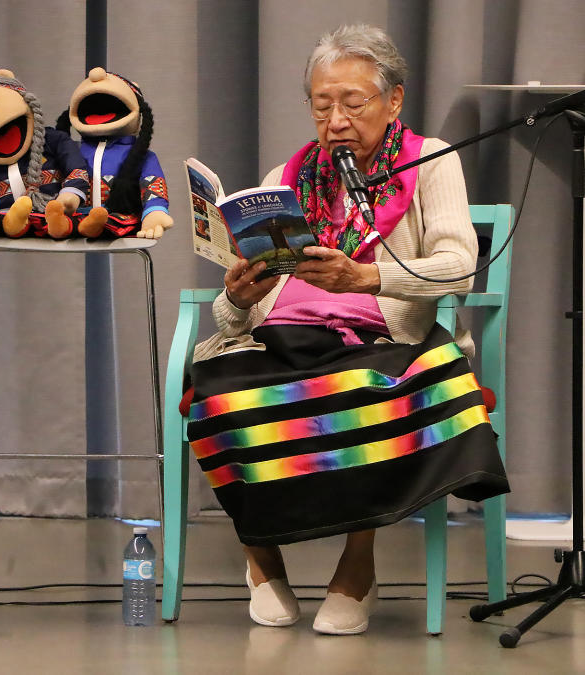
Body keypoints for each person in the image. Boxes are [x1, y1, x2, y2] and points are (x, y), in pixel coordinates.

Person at [187, 25, 508, 635]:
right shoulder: (291, 173)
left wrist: (366, 278)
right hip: (278, 335)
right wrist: (235, 297)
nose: (335, 119)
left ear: (393, 101)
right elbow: (237, 311)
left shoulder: (430, 161)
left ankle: (356, 565)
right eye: (321, 104)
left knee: (359, 395)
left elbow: (460, 263)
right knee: (221, 395)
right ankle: (262, 559)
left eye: (352, 103)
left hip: (381, 340)